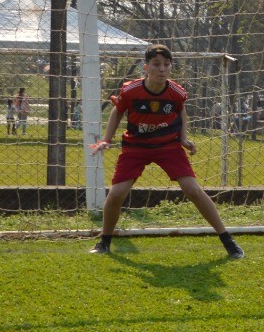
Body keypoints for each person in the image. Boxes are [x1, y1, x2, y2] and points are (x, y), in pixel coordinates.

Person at [88, 44, 244, 259]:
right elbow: (117, 111)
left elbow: (181, 113)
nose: (162, 69)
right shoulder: (131, 90)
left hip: (167, 146)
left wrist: (183, 139)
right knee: (116, 194)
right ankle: (104, 242)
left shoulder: (176, 92)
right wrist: (106, 139)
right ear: (146, 67)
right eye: (156, 64)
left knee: (193, 190)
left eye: (166, 65)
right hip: (136, 146)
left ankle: (229, 242)